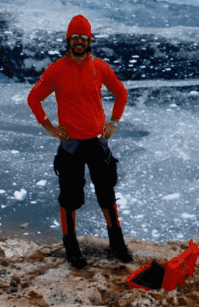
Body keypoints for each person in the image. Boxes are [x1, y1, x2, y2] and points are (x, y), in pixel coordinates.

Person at [27, 14, 132, 268]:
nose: (79, 41)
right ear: (68, 40)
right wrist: (49, 126)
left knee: (106, 194)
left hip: (97, 141)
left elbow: (120, 92)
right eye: (74, 37)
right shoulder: (56, 70)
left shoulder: (99, 67)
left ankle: (116, 242)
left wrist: (114, 122)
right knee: (70, 197)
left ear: (89, 41)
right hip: (71, 144)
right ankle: (71, 247)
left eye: (83, 37)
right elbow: (34, 98)